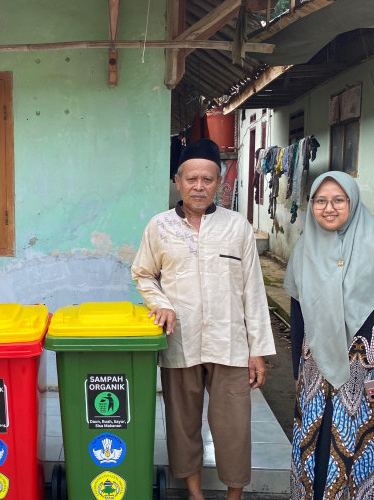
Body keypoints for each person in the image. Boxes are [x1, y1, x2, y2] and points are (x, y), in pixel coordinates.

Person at [131, 138, 275, 500]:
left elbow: (254, 292)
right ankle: (195, 493)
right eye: (191, 178)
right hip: (180, 341)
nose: (199, 186)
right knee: (183, 424)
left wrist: (258, 350)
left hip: (230, 344)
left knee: (234, 426)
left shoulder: (237, 227)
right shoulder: (159, 226)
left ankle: (234, 495)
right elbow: (143, 273)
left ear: (218, 183)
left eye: (208, 179)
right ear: (177, 181)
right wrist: (160, 302)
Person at [285, 171, 374, 499]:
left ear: (352, 202)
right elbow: (298, 313)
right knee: (319, 449)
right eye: (321, 201)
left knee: (369, 458)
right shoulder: (303, 250)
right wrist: (298, 372)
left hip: (370, 372)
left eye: (338, 200)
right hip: (317, 373)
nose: (329, 208)